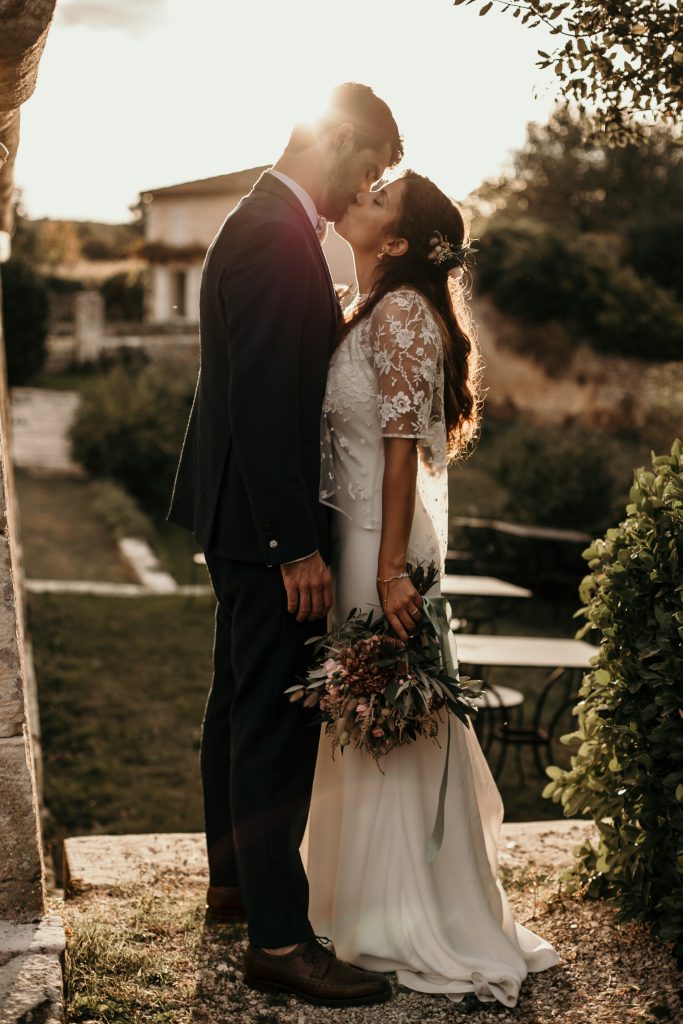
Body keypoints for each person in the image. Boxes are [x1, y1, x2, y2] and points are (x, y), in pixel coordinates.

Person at [167, 84, 403, 1007]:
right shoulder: (272, 233)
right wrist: (291, 546)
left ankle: (234, 887)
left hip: (236, 515)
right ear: (334, 138)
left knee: (236, 702)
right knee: (272, 718)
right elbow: (266, 403)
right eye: (369, 164)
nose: (368, 184)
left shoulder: (268, 219)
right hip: (266, 526)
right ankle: (278, 938)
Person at [305, 170, 559, 1008]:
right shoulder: (371, 308)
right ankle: (355, 900)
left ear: (401, 240)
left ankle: (399, 914)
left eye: (379, 194)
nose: (361, 193)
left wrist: (384, 571)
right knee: (368, 713)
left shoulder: (406, 313)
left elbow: (403, 442)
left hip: (383, 546)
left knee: (388, 713)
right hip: (356, 540)